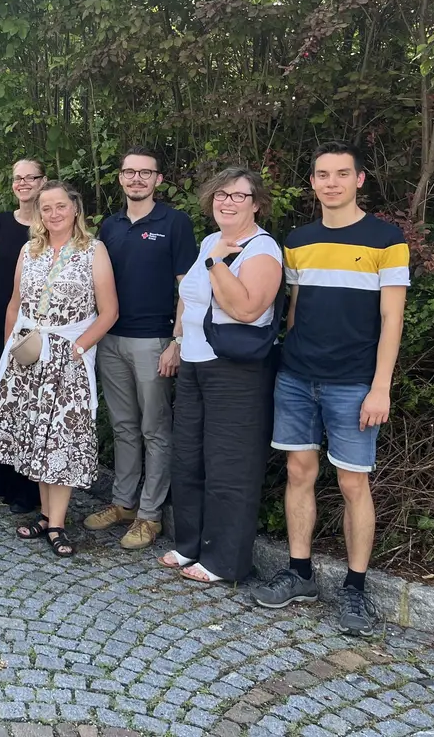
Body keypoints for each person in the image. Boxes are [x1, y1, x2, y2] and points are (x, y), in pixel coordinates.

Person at [251, 144, 410, 635]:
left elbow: (392, 317)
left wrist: (380, 387)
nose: (332, 182)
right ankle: (299, 573)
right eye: (322, 174)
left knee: (352, 483)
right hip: (297, 377)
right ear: (313, 182)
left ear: (360, 179)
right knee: (299, 472)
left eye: (342, 174)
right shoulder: (297, 240)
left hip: (354, 384)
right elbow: (295, 308)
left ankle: (355, 589)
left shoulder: (387, 239)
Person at [160, 167, 282, 585]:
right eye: (221, 195)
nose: (227, 202)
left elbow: (246, 309)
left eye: (238, 196)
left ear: (256, 203)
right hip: (194, 361)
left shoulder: (262, 250)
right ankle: (192, 544)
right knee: (189, 456)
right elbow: (189, 296)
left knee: (230, 463)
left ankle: (225, 559)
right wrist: (176, 341)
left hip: (235, 367)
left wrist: (217, 264)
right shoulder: (211, 240)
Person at [0, 181, 119, 559]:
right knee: (35, 435)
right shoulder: (30, 250)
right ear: (39, 213)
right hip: (29, 357)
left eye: (60, 206)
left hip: (68, 355)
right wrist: (11, 346)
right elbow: (14, 302)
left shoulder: (93, 251)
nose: (54, 214)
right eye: (46, 208)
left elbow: (109, 311)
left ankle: (59, 523)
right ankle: (46, 515)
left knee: (60, 437)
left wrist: (79, 349)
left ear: (74, 209)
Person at [86, 148, 196, 550]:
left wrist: (177, 341)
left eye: (144, 173)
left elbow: (189, 287)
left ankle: (150, 516)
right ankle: (123, 503)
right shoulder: (109, 227)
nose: (136, 179)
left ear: (158, 179)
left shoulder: (175, 223)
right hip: (110, 338)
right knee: (124, 427)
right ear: (120, 178)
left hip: (154, 341)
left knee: (155, 429)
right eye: (129, 172)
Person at [0, 159, 44, 513]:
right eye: (17, 177)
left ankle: (28, 485)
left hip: (38, 322)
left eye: (30, 177)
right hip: (3, 315)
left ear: (43, 181)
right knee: (0, 395)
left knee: (32, 403)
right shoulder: (0, 223)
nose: (23, 183)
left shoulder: (53, 222)